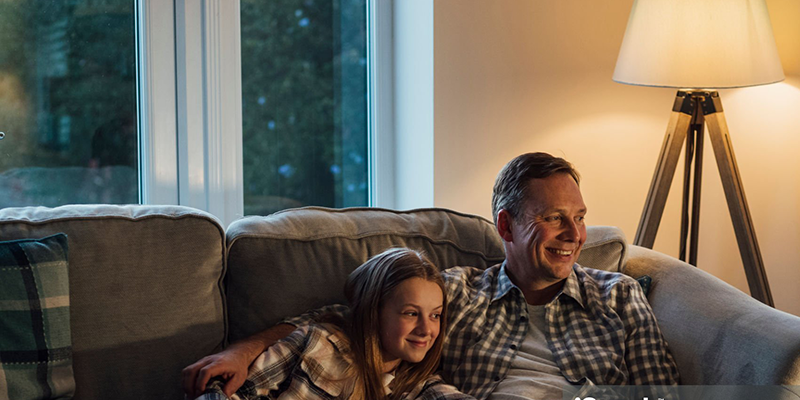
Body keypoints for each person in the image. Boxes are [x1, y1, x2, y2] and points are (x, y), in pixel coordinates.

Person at [184, 152, 680, 400]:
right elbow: (352, 320)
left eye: (579, 215)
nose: (575, 234)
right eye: (553, 218)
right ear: (505, 225)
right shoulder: (456, 292)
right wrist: (243, 350)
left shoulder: (619, 295)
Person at [188, 247, 475, 400]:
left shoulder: (418, 386)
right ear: (373, 312)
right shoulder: (316, 344)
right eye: (411, 313)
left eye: (435, 315)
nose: (427, 329)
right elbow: (227, 389)